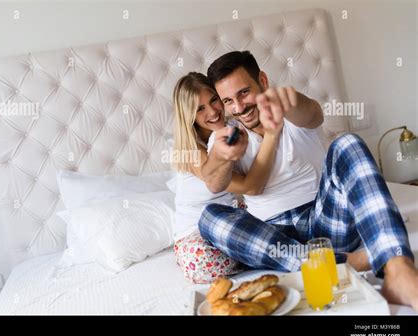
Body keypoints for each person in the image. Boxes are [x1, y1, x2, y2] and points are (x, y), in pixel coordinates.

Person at [198, 50, 418, 310]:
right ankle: (347, 263)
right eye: (228, 101)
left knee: (347, 142)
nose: (239, 107)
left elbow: (312, 113)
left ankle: (398, 268)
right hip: (273, 237)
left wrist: (288, 103)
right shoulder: (224, 137)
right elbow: (213, 182)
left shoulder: (293, 113)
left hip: (326, 223)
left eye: (244, 93)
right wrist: (223, 157)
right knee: (210, 217)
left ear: (263, 81)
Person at [171, 72, 279, 284]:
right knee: (206, 257)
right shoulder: (190, 152)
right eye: (199, 108)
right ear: (188, 115)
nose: (212, 111)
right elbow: (249, 186)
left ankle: (264, 251)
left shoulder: (233, 130)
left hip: (233, 222)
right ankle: (268, 253)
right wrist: (271, 135)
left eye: (214, 100)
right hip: (199, 236)